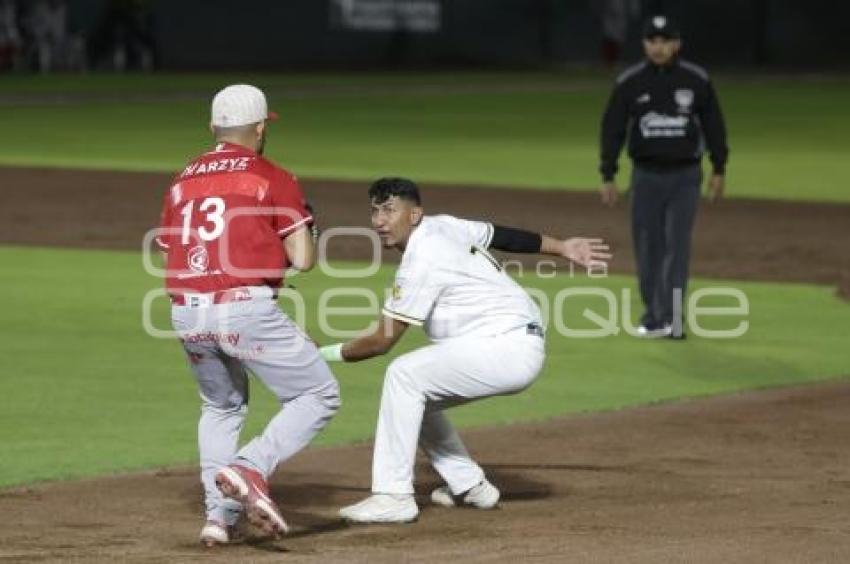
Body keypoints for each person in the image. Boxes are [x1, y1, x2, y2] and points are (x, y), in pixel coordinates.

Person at [319, 178, 610, 523]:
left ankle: (393, 495)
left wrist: (322, 354)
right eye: (375, 211)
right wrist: (561, 247)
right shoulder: (445, 225)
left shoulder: (423, 256)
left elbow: (382, 341)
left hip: (505, 346)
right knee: (416, 397)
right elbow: (501, 235)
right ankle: (470, 485)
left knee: (404, 375)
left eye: (389, 210)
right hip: (511, 343)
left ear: (414, 215)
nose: (379, 221)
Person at [155, 84, 340, 546]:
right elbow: (303, 258)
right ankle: (250, 467)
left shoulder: (181, 181)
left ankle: (218, 518)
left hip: (186, 312)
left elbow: (172, 250)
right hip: (242, 309)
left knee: (220, 406)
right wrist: (305, 227)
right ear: (260, 128)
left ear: (213, 127)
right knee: (318, 394)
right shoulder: (272, 176)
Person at [598, 15, 728, 339]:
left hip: (685, 177)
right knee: (648, 248)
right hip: (645, 177)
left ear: (677, 44)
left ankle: (671, 318)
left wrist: (719, 167)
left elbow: (714, 126)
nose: (658, 47)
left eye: (664, 40)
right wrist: (608, 173)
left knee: (677, 247)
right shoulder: (630, 82)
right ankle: (654, 316)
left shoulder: (696, 79)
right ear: (644, 44)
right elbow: (612, 129)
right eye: (652, 41)